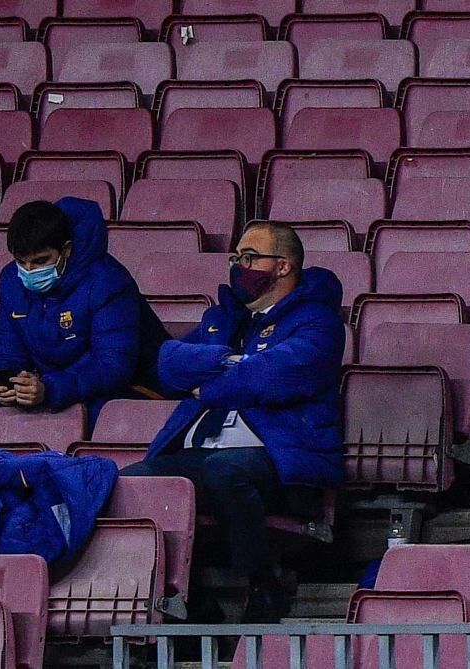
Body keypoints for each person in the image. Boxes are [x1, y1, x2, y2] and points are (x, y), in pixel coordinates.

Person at [121, 221, 345, 624]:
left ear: (282, 266)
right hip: (204, 453)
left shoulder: (318, 322)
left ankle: (263, 585)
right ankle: (193, 604)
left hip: (279, 459)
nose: (239, 266)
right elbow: (168, 363)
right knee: (134, 483)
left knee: (225, 470)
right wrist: (230, 362)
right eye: (236, 257)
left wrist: (207, 386)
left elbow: (271, 377)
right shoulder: (221, 319)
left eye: (250, 257)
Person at [0, 198, 169, 424]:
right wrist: (4, 385)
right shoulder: (11, 280)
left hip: (136, 387)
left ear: (67, 249)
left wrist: (50, 388)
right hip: (59, 386)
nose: (29, 271)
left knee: (94, 415)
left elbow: (114, 365)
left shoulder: (107, 281)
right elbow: (7, 349)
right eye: (22, 262)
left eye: (40, 261)